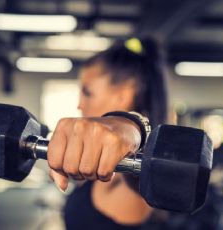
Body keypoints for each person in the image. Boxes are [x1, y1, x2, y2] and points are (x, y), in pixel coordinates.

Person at [46, 37, 169, 229]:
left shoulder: (138, 174)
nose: (79, 104)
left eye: (87, 92)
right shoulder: (107, 166)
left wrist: (130, 127)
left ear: (123, 96)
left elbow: (139, 180)